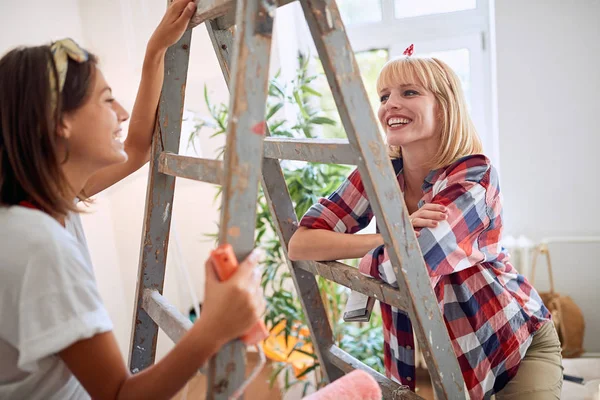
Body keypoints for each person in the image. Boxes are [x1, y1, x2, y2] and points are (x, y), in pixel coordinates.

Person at [0, 1, 265, 399]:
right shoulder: (40, 244)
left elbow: (138, 147)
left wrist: (157, 49)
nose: (121, 112)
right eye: (106, 100)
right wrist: (214, 327)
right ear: (61, 121)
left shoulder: (31, 204)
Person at [288, 50, 563, 399]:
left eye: (409, 92)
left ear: (444, 106)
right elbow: (301, 243)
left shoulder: (474, 176)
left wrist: (380, 250)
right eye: (384, 96)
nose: (391, 105)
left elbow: (407, 267)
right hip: (439, 357)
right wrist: (390, 237)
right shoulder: (379, 174)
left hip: (511, 346)